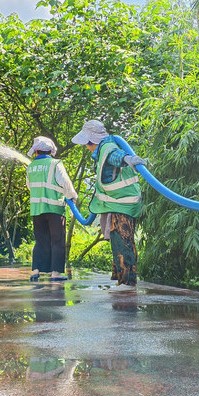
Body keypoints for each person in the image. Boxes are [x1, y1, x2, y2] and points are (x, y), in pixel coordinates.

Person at [70, 120, 145, 292]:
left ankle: (127, 283)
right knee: (121, 243)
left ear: (90, 141)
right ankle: (123, 281)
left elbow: (116, 156)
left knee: (122, 244)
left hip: (122, 205)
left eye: (86, 143)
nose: (86, 147)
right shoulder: (106, 147)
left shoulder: (107, 148)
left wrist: (127, 159)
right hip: (119, 205)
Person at [25, 136, 78, 282]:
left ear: (36, 151)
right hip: (54, 208)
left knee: (41, 240)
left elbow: (30, 186)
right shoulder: (55, 164)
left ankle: (36, 271)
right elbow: (65, 183)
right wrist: (72, 196)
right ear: (50, 151)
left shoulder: (31, 167)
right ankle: (55, 273)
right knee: (57, 240)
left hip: (37, 209)